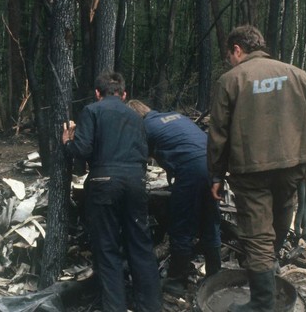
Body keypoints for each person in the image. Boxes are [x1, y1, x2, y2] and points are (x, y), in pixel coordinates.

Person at [207, 25, 306, 312]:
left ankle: (261, 304)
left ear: (237, 49)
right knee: (281, 217)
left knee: (258, 234)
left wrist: (216, 174)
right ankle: (269, 270)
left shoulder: (230, 80)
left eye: (229, 55)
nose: (229, 61)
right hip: (293, 164)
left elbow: (218, 133)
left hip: (251, 169)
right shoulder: (298, 75)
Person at [62, 72, 162, 312]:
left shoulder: (92, 111)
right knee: (140, 245)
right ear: (124, 94)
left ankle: (114, 307)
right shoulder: (137, 116)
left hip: (104, 182)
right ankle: (150, 306)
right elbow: (146, 151)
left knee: (107, 249)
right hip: (136, 182)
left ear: (98, 93)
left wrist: (67, 142)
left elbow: (83, 149)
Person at [126, 99, 221, 296]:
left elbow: (138, 161)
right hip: (212, 165)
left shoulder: (144, 127)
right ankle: (215, 275)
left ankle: (177, 281)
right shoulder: (173, 116)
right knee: (209, 220)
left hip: (191, 168)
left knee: (181, 225)